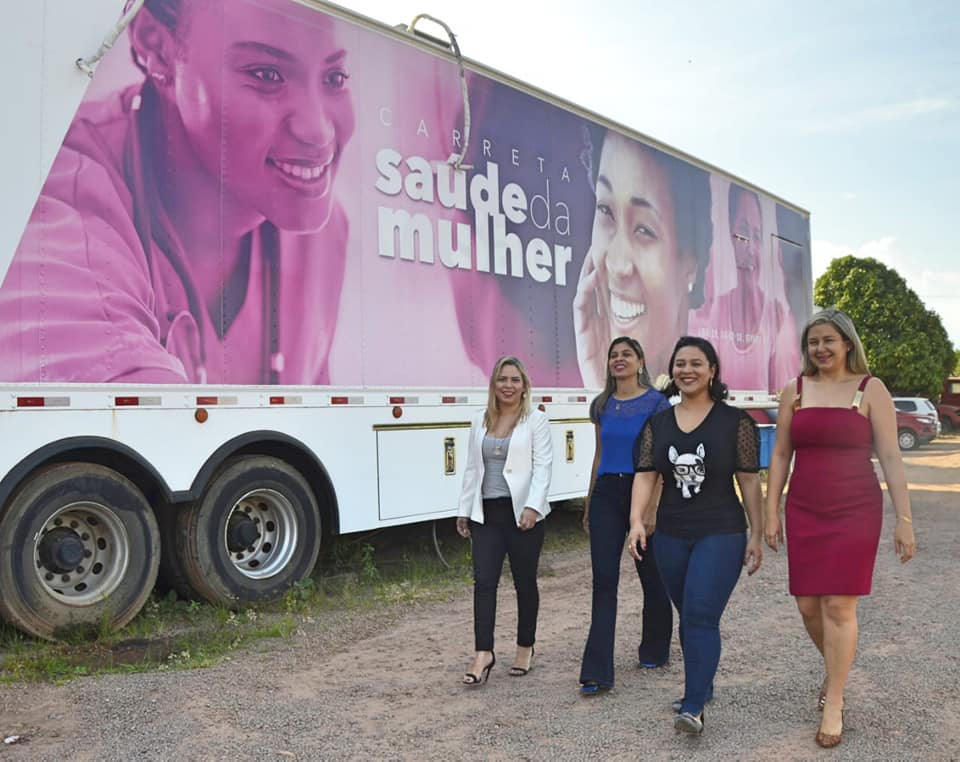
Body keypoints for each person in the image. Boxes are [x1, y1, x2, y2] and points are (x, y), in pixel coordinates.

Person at [0, 0, 355, 384]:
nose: (318, 132)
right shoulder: (61, 194)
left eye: (334, 78)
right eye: (267, 75)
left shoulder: (323, 236)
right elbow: (122, 405)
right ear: (159, 48)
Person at [763, 309, 915, 748]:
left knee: (838, 606)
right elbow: (780, 454)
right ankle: (836, 672)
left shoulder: (871, 389)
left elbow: (891, 457)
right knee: (808, 606)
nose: (821, 348)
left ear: (847, 343)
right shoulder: (794, 390)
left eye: (829, 340)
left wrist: (904, 520)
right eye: (813, 342)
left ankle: (835, 699)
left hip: (855, 509)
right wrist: (771, 510)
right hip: (804, 508)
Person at [626, 336, 763, 734]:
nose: (687, 370)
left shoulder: (736, 422)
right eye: (680, 364)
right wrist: (636, 521)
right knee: (689, 615)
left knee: (701, 614)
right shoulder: (658, 424)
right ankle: (703, 684)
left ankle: (693, 706)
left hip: (721, 531)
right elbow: (646, 475)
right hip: (671, 534)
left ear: (712, 370)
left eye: (696, 363)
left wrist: (757, 532)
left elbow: (749, 481)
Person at [573, 128, 712, 388]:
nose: (617, 265)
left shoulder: (695, 407)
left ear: (689, 262)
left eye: (644, 230)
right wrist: (598, 382)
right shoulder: (611, 395)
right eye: (605, 210)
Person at [578, 336, 673, 696]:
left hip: (643, 490)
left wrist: (652, 508)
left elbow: (660, 460)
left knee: (651, 574)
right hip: (607, 493)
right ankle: (596, 671)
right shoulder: (601, 404)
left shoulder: (657, 403)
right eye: (614, 355)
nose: (619, 359)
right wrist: (589, 503)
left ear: (640, 361)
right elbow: (599, 456)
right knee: (604, 580)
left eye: (626, 354)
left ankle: (655, 649)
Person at [456, 356, 553, 685]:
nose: (508, 385)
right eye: (502, 379)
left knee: (524, 582)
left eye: (514, 380)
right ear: (493, 384)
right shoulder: (480, 419)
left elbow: (543, 467)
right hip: (487, 513)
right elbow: (472, 468)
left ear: (524, 386)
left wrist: (533, 507)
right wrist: (464, 509)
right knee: (484, 582)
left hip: (523, 515)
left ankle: (525, 646)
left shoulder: (535, 420)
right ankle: (483, 653)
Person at [694, 184, 797, 393]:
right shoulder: (711, 313)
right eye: (742, 235)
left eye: (757, 237)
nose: (750, 249)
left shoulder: (778, 315)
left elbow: (782, 393)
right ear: (730, 237)